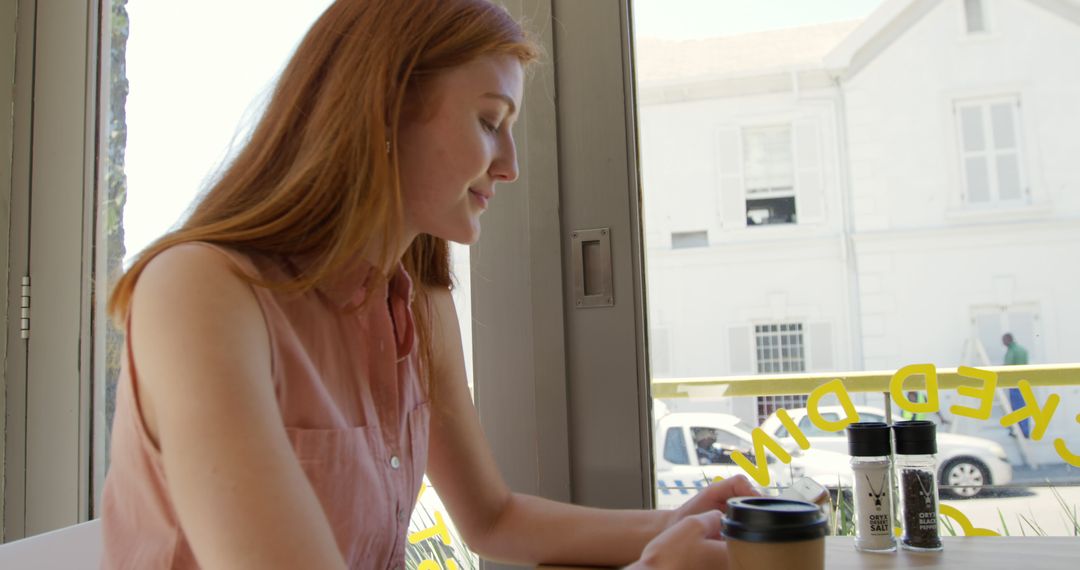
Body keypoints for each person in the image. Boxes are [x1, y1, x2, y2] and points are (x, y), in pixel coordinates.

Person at [99, 1, 758, 568]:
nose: (511, 166)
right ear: (384, 107)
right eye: (489, 121)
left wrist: (684, 523)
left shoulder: (419, 301)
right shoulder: (198, 292)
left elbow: (493, 519)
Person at [1002, 332, 1031, 438]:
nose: (1003, 343)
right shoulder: (1022, 350)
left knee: (1017, 407)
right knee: (1024, 407)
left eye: (1003, 340)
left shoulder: (1012, 351)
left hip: (1014, 384)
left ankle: (1019, 431)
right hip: (1024, 383)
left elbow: (1007, 366)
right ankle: (1025, 431)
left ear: (1008, 339)